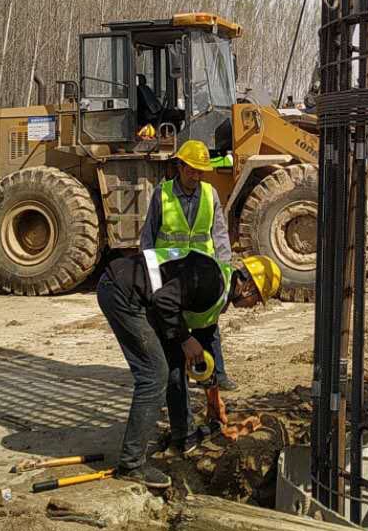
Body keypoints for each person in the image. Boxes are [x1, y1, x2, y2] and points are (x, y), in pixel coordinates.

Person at [98, 249, 281, 489]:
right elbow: (164, 301)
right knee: (154, 375)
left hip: (139, 294)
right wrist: (184, 338)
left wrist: (213, 398)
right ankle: (132, 464)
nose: (252, 306)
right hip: (122, 292)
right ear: (247, 287)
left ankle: (183, 436)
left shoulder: (218, 297)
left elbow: (203, 354)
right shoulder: (210, 281)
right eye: (256, 299)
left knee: (175, 364)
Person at [138, 140, 238, 390]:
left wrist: (224, 271)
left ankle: (216, 375)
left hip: (202, 274)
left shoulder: (209, 194)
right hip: (171, 272)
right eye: (191, 170)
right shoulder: (162, 194)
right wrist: (150, 274)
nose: (196, 176)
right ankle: (175, 377)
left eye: (200, 171)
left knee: (208, 324)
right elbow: (148, 235)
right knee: (173, 324)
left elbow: (220, 234)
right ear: (180, 167)